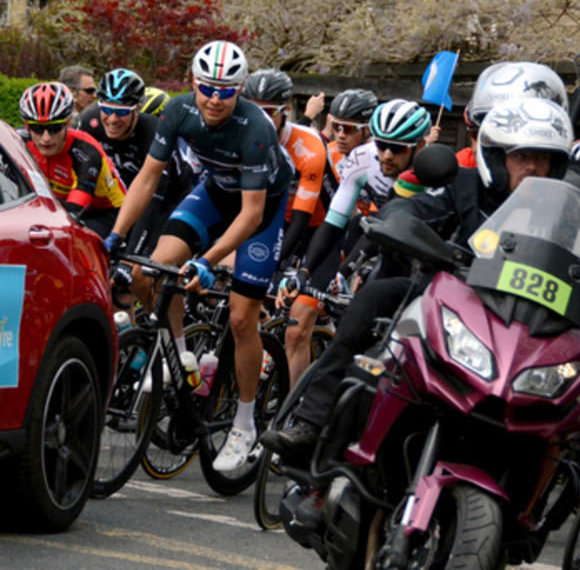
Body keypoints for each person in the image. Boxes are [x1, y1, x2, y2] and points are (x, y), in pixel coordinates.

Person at [261, 97, 580, 459]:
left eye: (543, 158)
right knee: (375, 301)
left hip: (524, 325)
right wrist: (399, 220)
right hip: (451, 301)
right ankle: (312, 425)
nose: (532, 167)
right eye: (520, 156)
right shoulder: (462, 184)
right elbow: (413, 207)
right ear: (497, 156)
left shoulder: (569, 212)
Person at [105, 40, 292, 472]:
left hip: (259, 211)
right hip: (212, 194)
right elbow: (148, 180)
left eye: (226, 90)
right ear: (193, 82)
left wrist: (207, 261)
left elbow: (250, 215)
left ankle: (245, 422)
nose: (214, 98)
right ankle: (182, 355)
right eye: (207, 87)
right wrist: (116, 235)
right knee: (144, 275)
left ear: (240, 89)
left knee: (243, 317)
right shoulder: (178, 110)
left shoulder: (255, 128)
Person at [277, 98, 430, 385]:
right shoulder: (363, 159)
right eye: (381, 144)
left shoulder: (435, 174)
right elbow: (335, 223)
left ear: (420, 147)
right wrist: (305, 271)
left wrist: (343, 271)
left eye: (397, 148)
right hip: (387, 247)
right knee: (357, 332)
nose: (385, 155)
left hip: (425, 260)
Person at [241, 69, 337, 386]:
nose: (261, 120)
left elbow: (300, 219)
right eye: (253, 110)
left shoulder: (308, 146)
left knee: (296, 330)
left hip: (318, 233)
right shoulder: (242, 137)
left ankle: (291, 413)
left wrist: (278, 263)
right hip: (271, 222)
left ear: (285, 112)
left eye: (269, 112)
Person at [79, 69, 193, 258]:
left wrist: (132, 258)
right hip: (123, 197)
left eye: (122, 112)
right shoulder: (89, 123)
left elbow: (151, 201)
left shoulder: (153, 132)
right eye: (106, 110)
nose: (113, 119)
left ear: (137, 109)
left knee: (139, 267)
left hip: (168, 199)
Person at [18, 82, 126, 237]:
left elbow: (73, 214)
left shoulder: (85, 151)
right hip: (57, 203)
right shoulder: (19, 140)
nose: (46, 138)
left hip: (105, 213)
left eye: (54, 128)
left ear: (67, 123)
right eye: (38, 129)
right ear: (27, 126)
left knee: (68, 237)